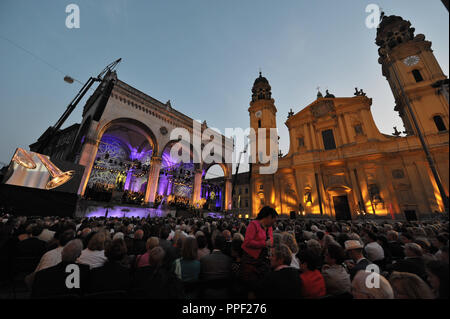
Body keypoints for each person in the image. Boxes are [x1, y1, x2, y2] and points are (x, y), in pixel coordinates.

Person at [240, 206, 278, 295]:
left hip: (263, 260)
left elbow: (271, 240)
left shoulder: (269, 227)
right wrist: (264, 243)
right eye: (273, 220)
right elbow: (248, 242)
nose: (274, 222)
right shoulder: (253, 224)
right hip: (251, 260)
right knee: (251, 286)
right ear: (268, 217)